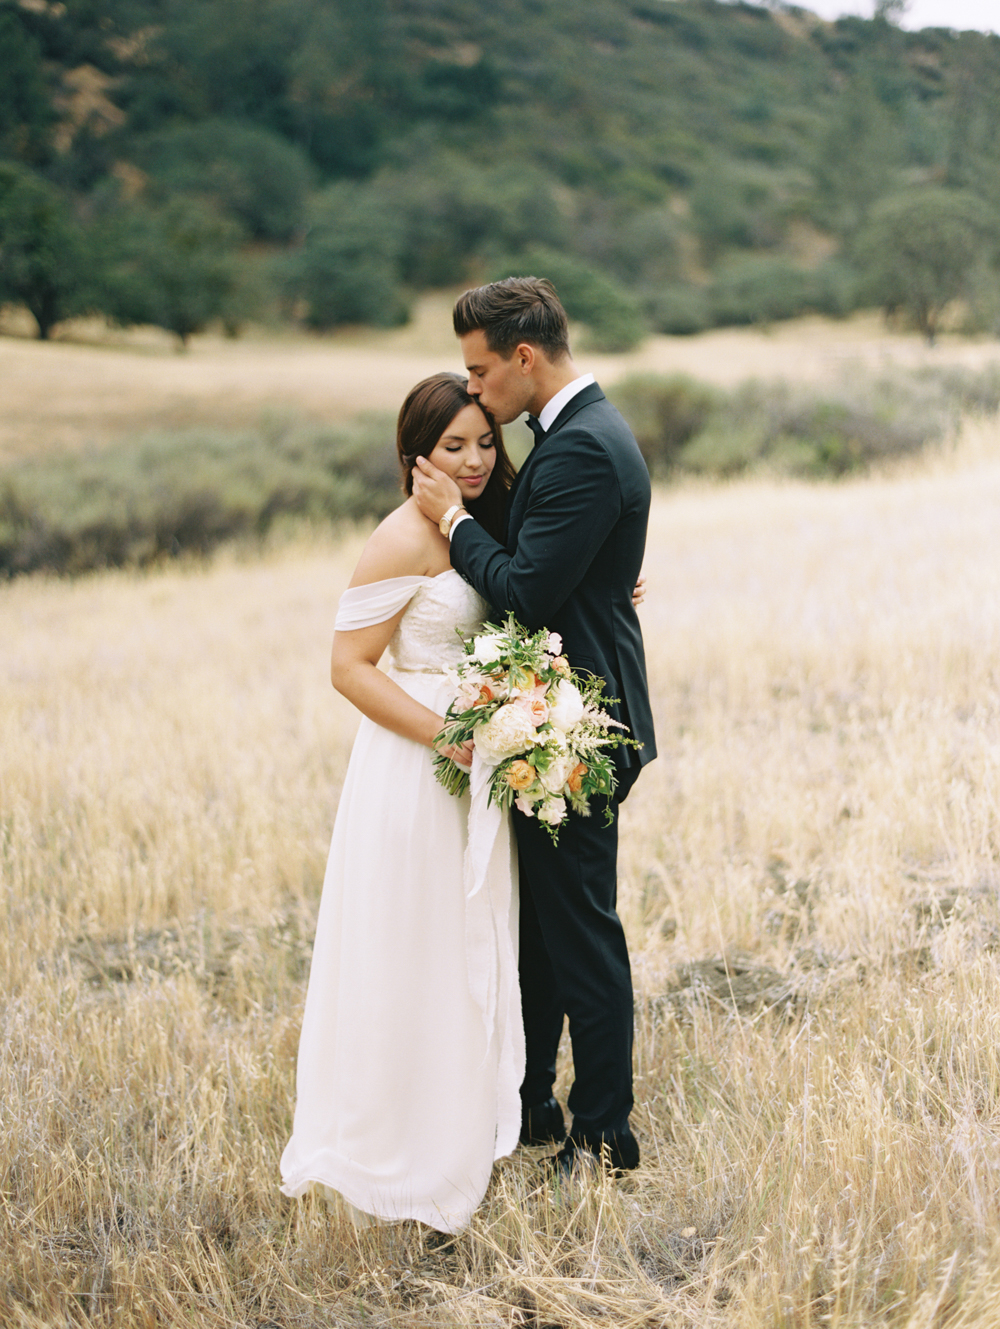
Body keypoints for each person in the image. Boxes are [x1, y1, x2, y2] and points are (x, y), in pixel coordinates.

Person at [412, 276, 657, 1177]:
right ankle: (531, 1105)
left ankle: (603, 1132)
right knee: (546, 931)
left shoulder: (585, 446)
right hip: (553, 716)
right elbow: (551, 560)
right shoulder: (573, 438)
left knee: (581, 933)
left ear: (524, 356)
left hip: (577, 727)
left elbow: (522, 587)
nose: (474, 390)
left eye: (480, 373)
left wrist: (448, 516)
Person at [280, 372, 525, 1234]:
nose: (472, 460)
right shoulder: (398, 537)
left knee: (471, 941)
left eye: (485, 442)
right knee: (415, 943)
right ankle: (401, 1144)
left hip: (478, 761)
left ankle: (468, 1117)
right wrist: (449, 738)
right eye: (453, 445)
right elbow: (348, 670)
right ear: (415, 453)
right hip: (417, 766)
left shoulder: (486, 527)